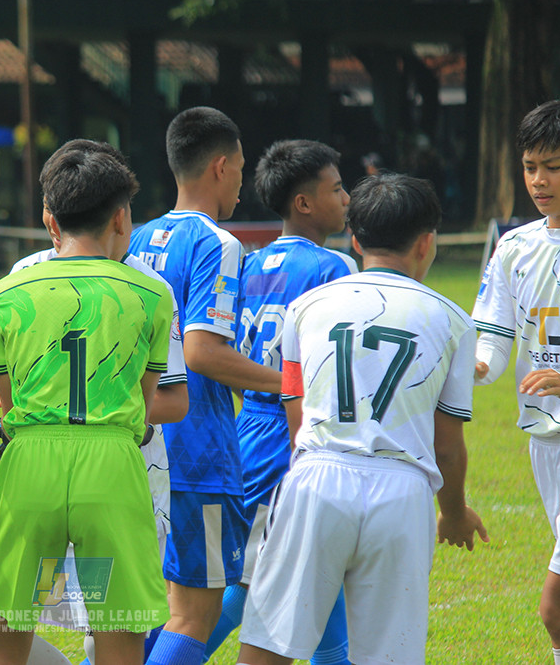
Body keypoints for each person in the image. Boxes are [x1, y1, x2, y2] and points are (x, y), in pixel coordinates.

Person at [236, 172, 488, 665]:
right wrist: (454, 512)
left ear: (355, 240)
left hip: (315, 478)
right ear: (426, 242)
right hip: (402, 491)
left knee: (266, 649)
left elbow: (296, 414)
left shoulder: (304, 308)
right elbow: (446, 444)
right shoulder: (453, 320)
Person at [0, 139, 187, 665]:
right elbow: (144, 399)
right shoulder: (152, 293)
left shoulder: (7, 290)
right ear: (120, 217)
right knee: (117, 638)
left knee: (5, 636)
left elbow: (4, 391)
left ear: (50, 218)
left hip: (31, 463)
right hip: (112, 463)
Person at [127, 106, 281, 665]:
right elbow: (202, 352)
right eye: (240, 168)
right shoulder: (218, 243)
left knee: (147, 611)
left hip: (139, 443)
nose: (242, 182)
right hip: (197, 451)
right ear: (220, 166)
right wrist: (291, 381)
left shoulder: (137, 237)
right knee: (197, 611)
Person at [202, 139, 355, 664]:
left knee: (315, 563)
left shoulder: (246, 265)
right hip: (294, 432)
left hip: (248, 427)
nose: (347, 198)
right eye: (337, 189)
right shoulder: (335, 268)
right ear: (304, 203)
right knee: (250, 583)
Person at [471, 98, 560, 665]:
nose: (538, 180)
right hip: (546, 442)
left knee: (556, 608)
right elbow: (493, 340)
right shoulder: (514, 248)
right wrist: (473, 367)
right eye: (530, 166)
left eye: (553, 166)